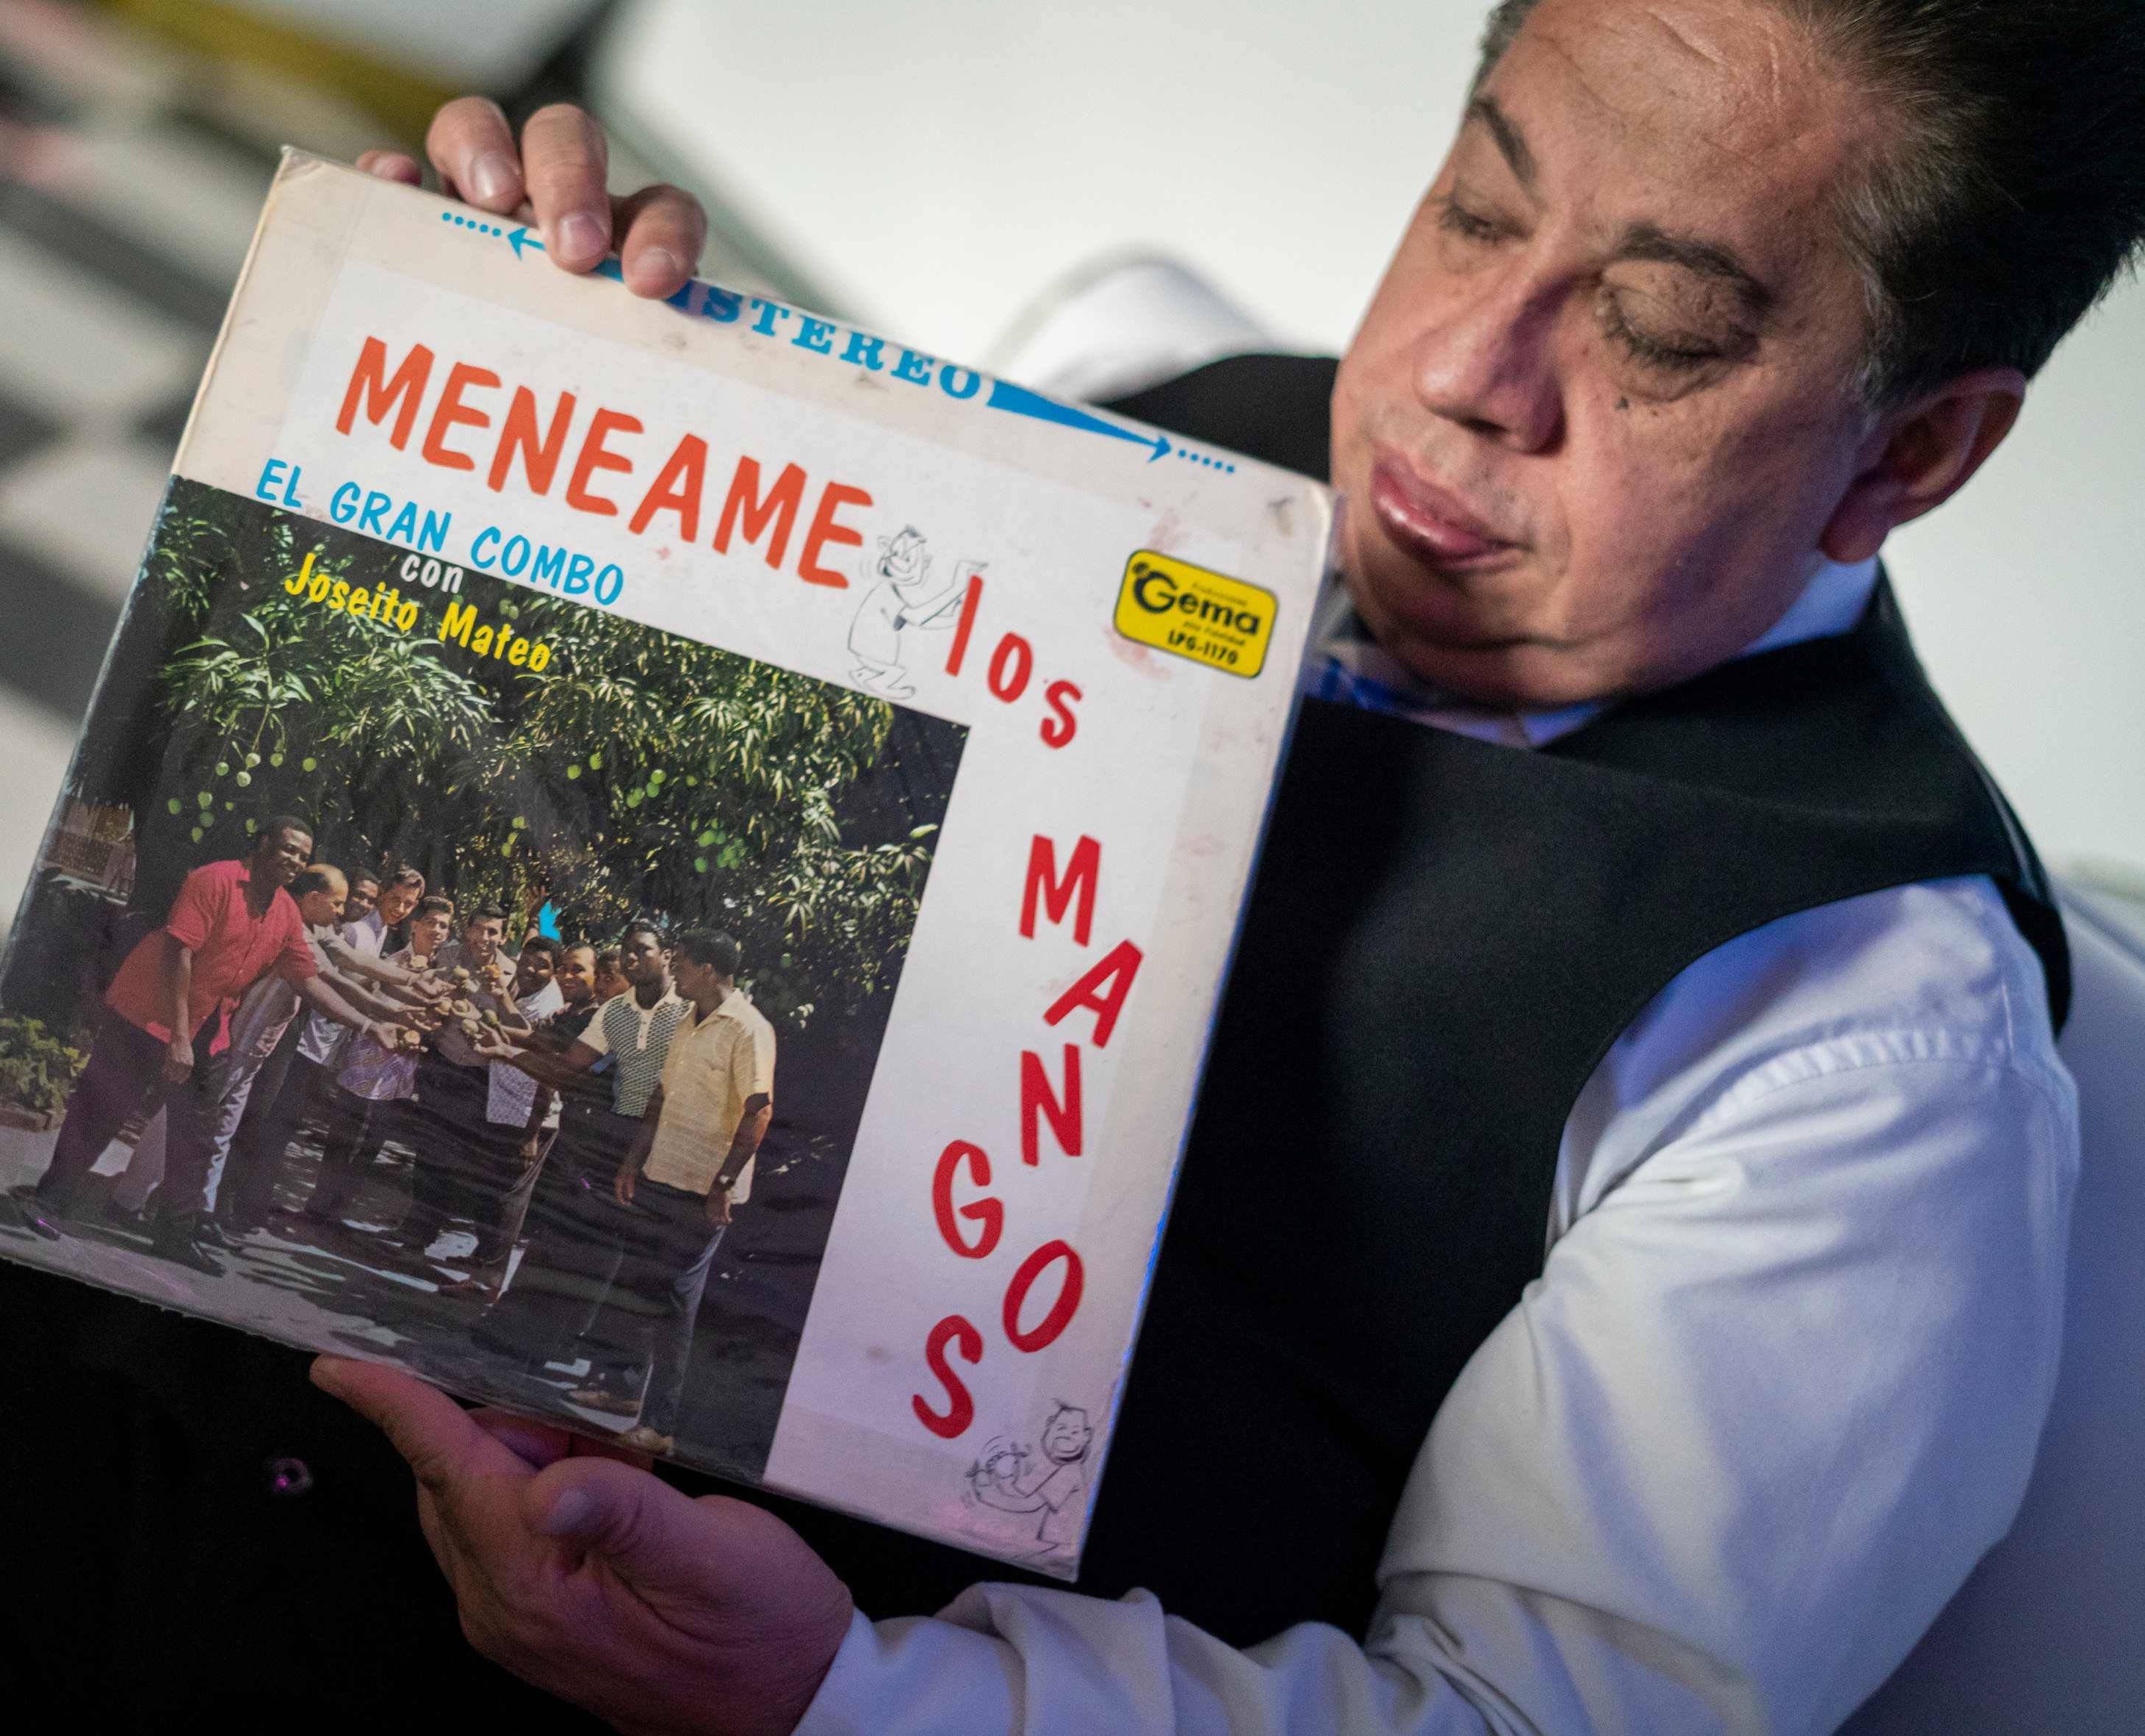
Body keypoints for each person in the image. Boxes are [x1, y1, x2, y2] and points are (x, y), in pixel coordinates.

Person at [304, 5, 2130, 1731]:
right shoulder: (1137, 409)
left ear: (1912, 449)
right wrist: (521, 389)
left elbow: (1514, 1711)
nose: (1457, 373)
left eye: (1653, 328)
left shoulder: (1867, 1044)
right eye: (1477, 207)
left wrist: (842, 1694)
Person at [18, 818, 401, 1273]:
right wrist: (179, 1038)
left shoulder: (285, 912)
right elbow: (178, 954)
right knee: (102, 1110)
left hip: (208, 1024)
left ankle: (174, 1235)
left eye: (303, 855)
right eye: (288, 849)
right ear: (262, 844)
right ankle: (49, 1201)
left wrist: (368, 1024)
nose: (295, 861)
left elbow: (309, 979)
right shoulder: (214, 880)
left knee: (197, 1137)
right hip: (148, 1011)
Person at [468, 920, 688, 1375]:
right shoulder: (616, 1011)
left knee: (603, 1254)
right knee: (562, 1236)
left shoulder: (687, 1016)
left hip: (642, 1149)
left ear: (667, 956)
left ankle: (574, 1354)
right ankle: (518, 1334)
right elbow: (570, 1066)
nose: (632, 959)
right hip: (592, 1143)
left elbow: (671, 1097)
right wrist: (506, 1051)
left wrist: (636, 1159)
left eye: (643, 950)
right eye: (627, 951)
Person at [588, 926, 774, 1455]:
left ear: (708, 970)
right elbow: (660, 1095)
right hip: (662, 1175)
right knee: (645, 1286)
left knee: (675, 1303)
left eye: (682, 962)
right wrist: (633, 1160)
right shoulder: (687, 1020)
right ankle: (624, 1390)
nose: (674, 969)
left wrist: (723, 1183)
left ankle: (660, 1426)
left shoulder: (749, 1028)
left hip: (704, 1191)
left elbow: (759, 1110)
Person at [217, 865, 427, 1231]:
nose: (400, 908)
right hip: (285, 1035)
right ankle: (226, 1207)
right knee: (250, 1122)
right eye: (394, 899)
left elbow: (354, 971)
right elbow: (332, 979)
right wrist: (382, 1016)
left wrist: (411, 992)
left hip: (306, 1041)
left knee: (260, 1124)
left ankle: (234, 1207)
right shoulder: (348, 930)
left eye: (409, 903)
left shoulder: (352, 931)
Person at [399, 933, 569, 1278]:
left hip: (528, 1116)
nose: (530, 969)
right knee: (490, 1192)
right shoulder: (523, 990)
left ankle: (490, 1276)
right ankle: (483, 1262)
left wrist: (532, 1135)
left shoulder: (549, 1006)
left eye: (541, 966)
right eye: (526, 961)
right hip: (504, 1107)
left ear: (555, 971)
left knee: (507, 1198)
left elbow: (546, 1076)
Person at [298, 892, 455, 1228]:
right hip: (369, 1057)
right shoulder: (394, 962)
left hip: (402, 1067)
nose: (437, 931)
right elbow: (367, 996)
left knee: (374, 1140)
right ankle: (318, 1206)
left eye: (444, 926)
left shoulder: (447, 976)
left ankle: (338, 1211)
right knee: (345, 1134)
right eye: (431, 923)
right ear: (415, 926)